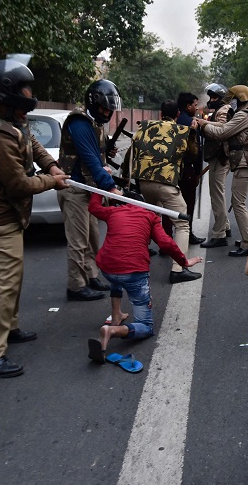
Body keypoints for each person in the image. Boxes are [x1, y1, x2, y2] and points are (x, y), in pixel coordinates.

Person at [0, 59, 69, 378]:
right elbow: (18, 184)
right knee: (4, 283)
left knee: (13, 277)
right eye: (24, 91)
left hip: (8, 213)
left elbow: (32, 143)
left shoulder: (10, 117)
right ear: (6, 96)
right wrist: (53, 181)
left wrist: (51, 165)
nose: (28, 95)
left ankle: (9, 328)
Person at [86, 192, 202, 361]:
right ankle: (112, 330)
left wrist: (99, 190)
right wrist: (184, 261)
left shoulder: (114, 211)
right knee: (146, 326)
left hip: (108, 269)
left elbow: (94, 207)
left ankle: (116, 314)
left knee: (117, 276)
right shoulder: (150, 215)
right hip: (134, 273)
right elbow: (165, 242)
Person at [57, 79, 123, 302]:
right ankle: (76, 285)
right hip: (74, 188)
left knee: (92, 235)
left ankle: (91, 275)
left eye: (110, 109)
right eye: (105, 108)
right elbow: (91, 159)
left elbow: (99, 152)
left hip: (89, 188)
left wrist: (108, 150)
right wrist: (111, 187)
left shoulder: (95, 123)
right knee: (78, 240)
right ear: (94, 103)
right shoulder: (79, 123)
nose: (108, 113)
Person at [129, 100, 200, 284]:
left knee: (149, 221)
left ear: (160, 114)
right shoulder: (180, 131)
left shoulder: (144, 128)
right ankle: (178, 269)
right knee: (182, 223)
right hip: (166, 183)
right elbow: (192, 154)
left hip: (144, 183)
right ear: (177, 114)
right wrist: (192, 133)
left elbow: (133, 153)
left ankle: (136, 262)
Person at [195, 85, 248, 257]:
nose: (229, 104)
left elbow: (223, 131)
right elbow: (224, 126)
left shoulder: (243, 115)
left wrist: (203, 126)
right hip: (245, 162)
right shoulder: (246, 113)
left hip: (245, 162)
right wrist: (207, 122)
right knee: (238, 201)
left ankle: (247, 243)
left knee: (238, 203)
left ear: (237, 99)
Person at [199, 83, 233, 248]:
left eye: (214, 97)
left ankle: (219, 234)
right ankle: (225, 226)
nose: (211, 100)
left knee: (217, 195)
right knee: (218, 193)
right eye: (210, 97)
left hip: (221, 157)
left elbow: (223, 130)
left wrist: (204, 125)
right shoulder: (218, 110)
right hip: (217, 157)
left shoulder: (224, 110)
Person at [175, 92, 205, 244]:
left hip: (172, 169)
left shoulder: (175, 120)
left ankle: (169, 236)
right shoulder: (191, 123)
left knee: (172, 203)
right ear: (188, 106)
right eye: (195, 105)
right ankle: (187, 234)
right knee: (188, 204)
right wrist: (198, 172)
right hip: (187, 169)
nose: (196, 107)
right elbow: (196, 150)